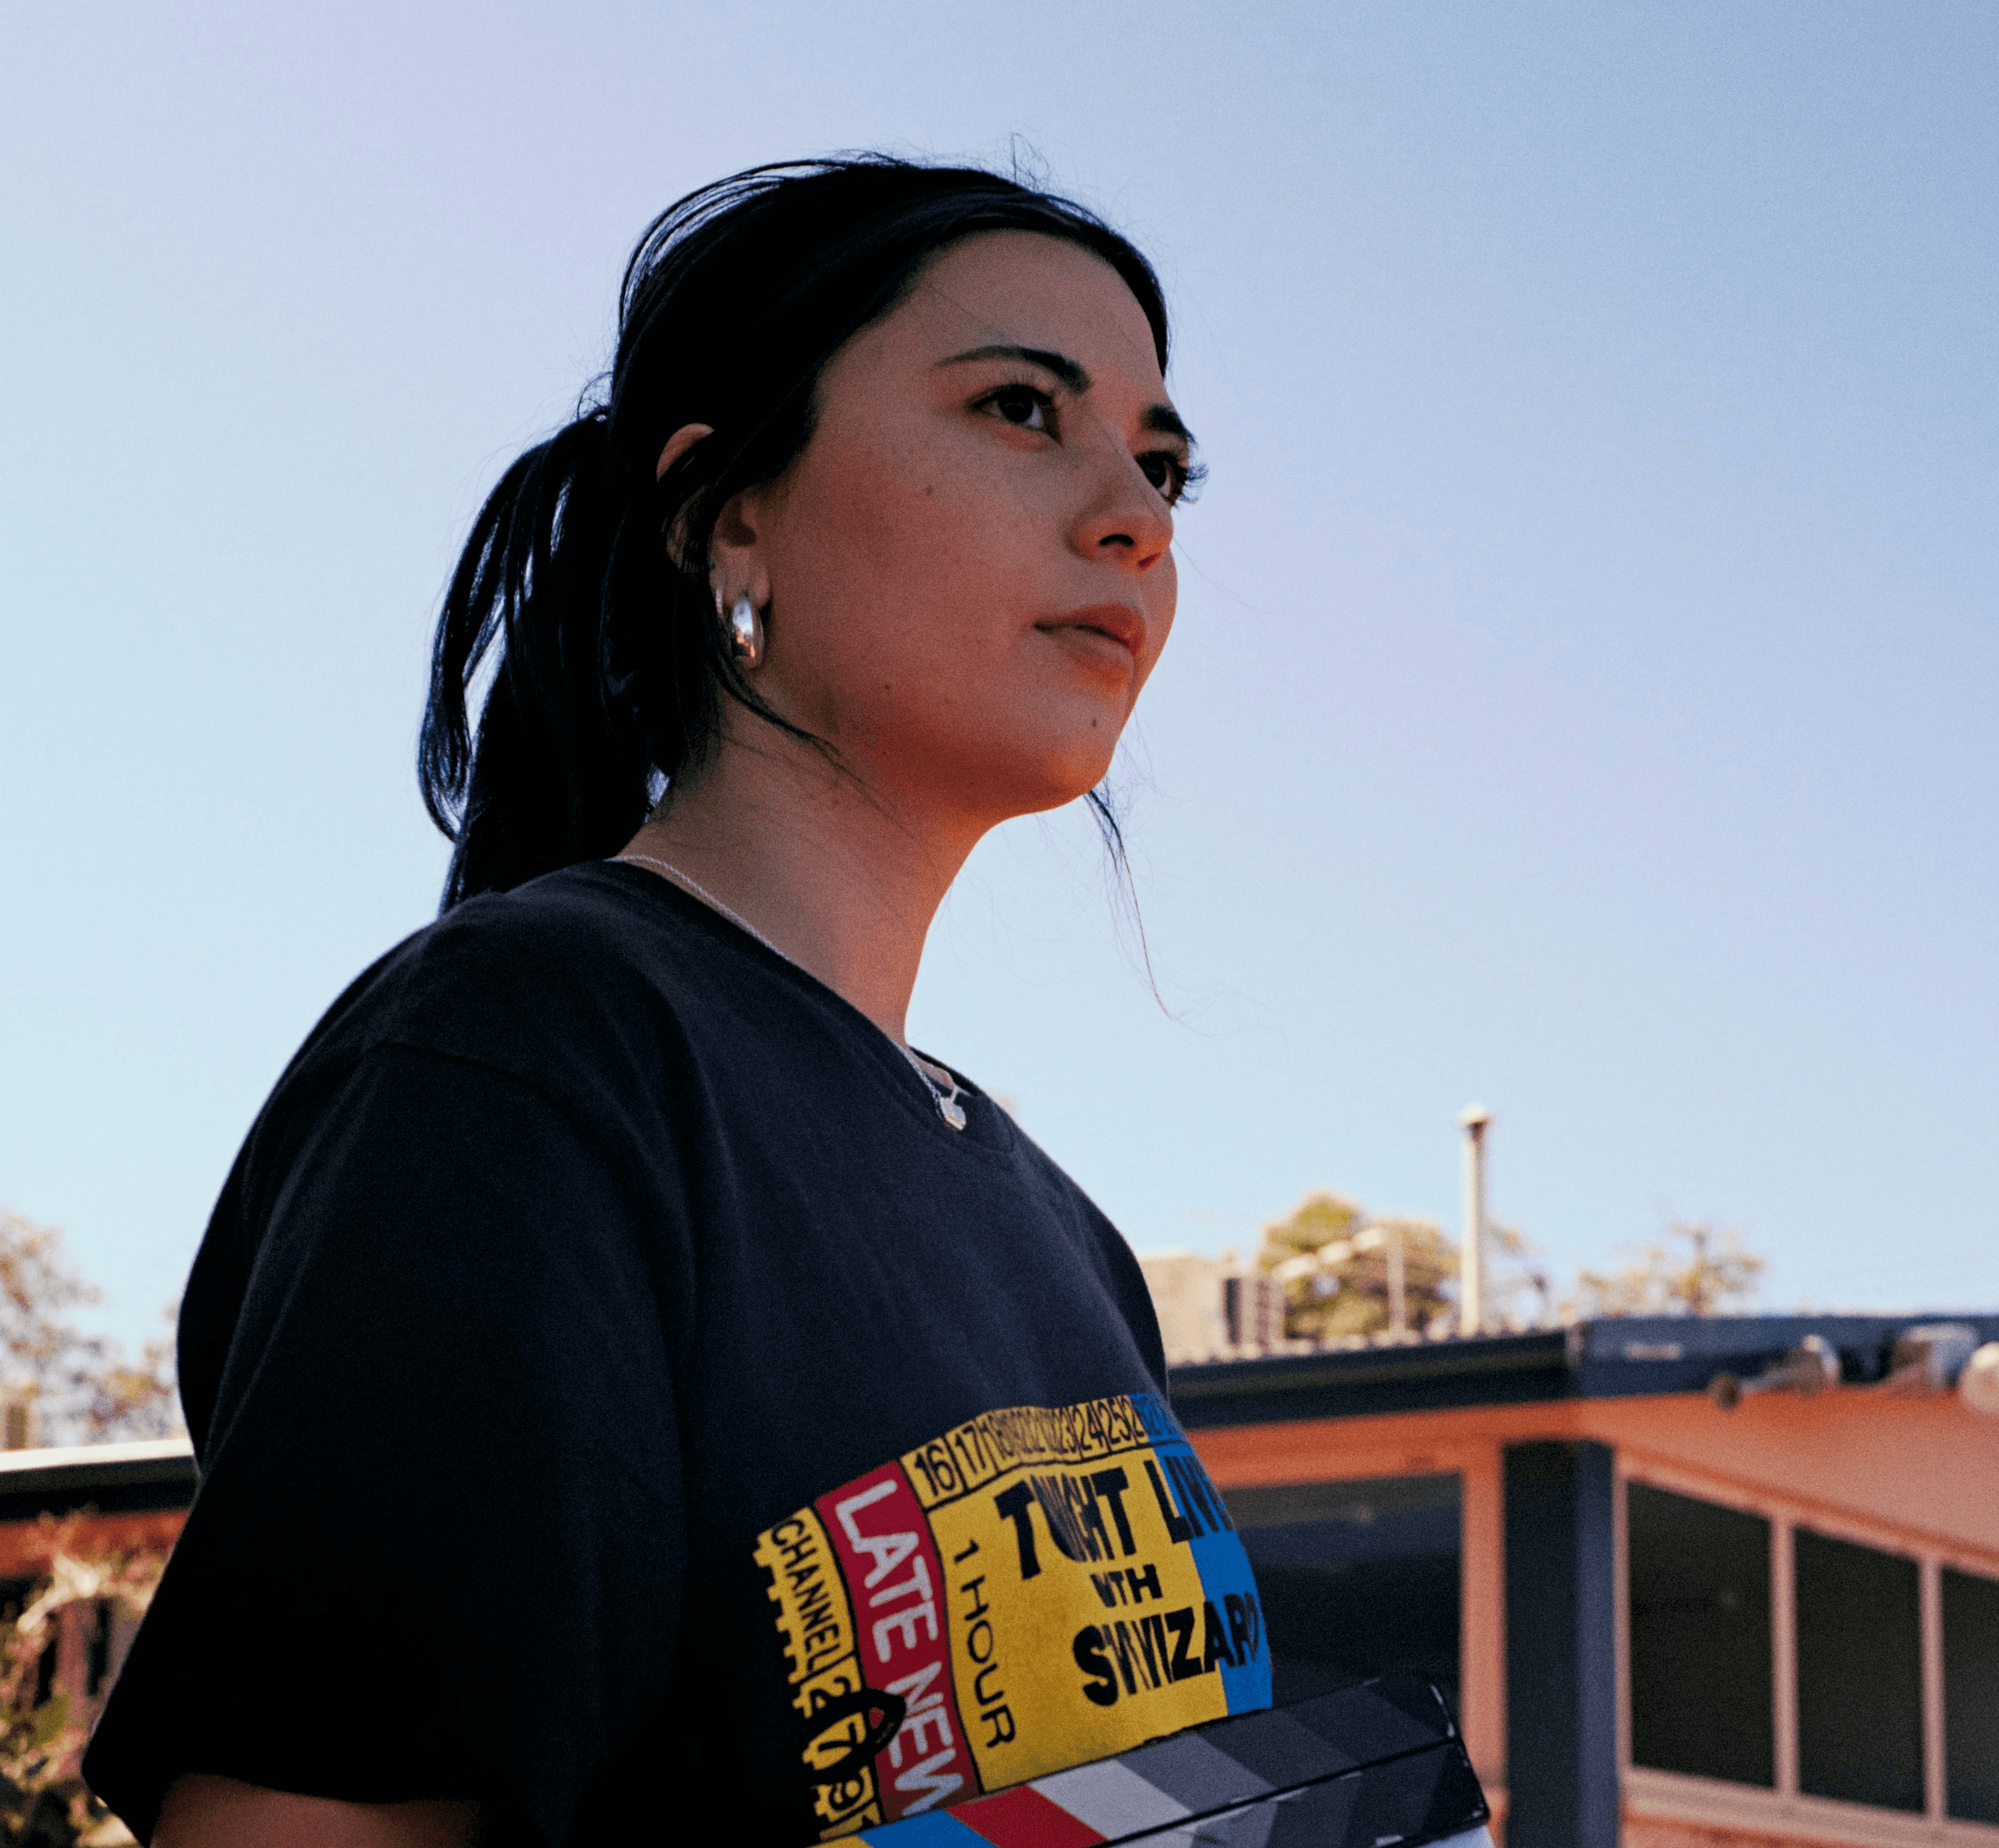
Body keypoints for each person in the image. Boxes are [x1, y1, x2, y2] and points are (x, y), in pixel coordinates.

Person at [84, 157, 1271, 1848]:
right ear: (731, 516)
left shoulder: (1062, 1241)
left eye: (1163, 465)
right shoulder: (527, 1053)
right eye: (1022, 409)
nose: (1135, 516)